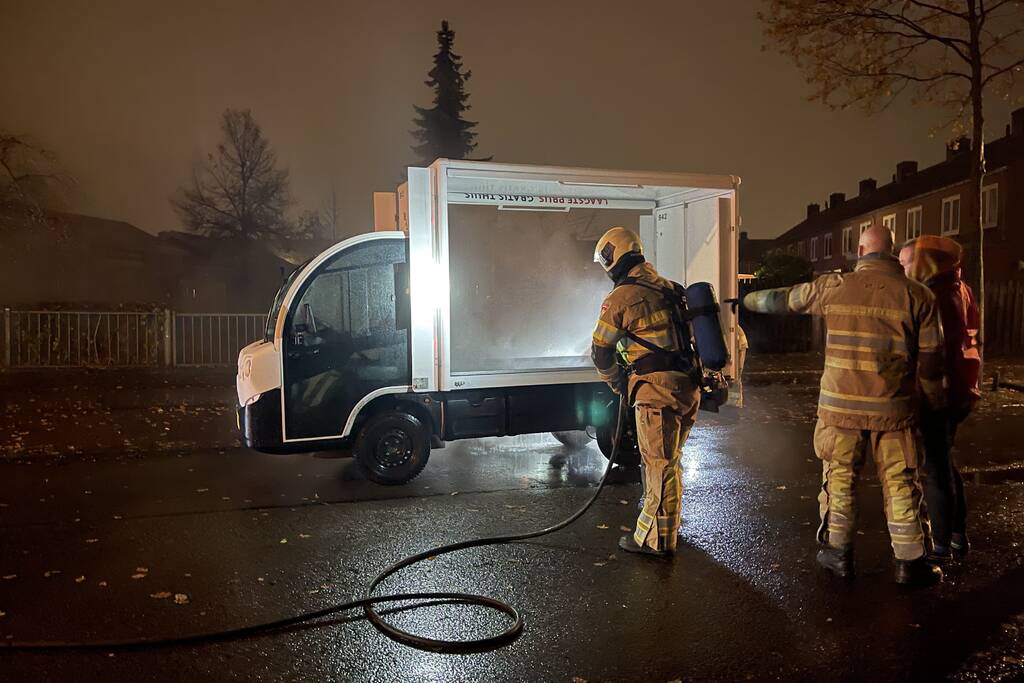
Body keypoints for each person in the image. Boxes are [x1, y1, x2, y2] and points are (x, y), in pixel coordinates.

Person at [743, 225, 946, 586]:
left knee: (840, 481)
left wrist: (743, 300)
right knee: (901, 484)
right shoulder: (919, 295)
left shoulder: (833, 288)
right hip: (895, 411)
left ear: (860, 250)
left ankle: (838, 555)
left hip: (840, 412)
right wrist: (931, 403)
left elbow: (783, 299)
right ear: (891, 250)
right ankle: (909, 563)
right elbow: (932, 362)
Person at [591, 226, 701, 557]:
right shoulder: (671, 289)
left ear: (614, 258)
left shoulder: (622, 297)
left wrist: (616, 382)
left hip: (656, 393)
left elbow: (600, 350)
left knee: (659, 465)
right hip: (687, 387)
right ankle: (664, 532)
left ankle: (656, 541)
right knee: (669, 462)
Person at [899, 235, 981, 561]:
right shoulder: (959, 287)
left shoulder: (938, 297)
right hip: (962, 387)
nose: (902, 267)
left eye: (906, 262)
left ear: (925, 263)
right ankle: (957, 535)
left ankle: (941, 545)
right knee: (944, 461)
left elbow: (938, 351)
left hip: (944, 392)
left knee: (935, 466)